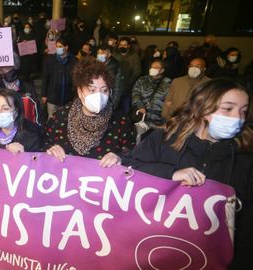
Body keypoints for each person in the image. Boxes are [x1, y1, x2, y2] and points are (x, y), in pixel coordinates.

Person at [101, 79, 253, 269]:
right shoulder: (162, 140)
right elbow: (130, 167)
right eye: (228, 108)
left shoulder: (245, 161)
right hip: (150, 254)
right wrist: (170, 174)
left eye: (243, 111)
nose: (237, 117)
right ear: (203, 107)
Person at [44, 58, 136, 161]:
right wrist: (50, 149)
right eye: (92, 90)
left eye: (104, 90)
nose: (99, 96)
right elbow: (44, 143)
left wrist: (120, 158)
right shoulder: (60, 117)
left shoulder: (121, 122)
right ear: (80, 92)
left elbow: (132, 153)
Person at [0, 53, 41, 126]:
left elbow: (36, 114)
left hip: (24, 131)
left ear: (15, 66)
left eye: (6, 65)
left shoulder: (27, 88)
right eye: (0, 66)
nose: (2, 68)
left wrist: (36, 131)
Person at [0, 88, 43, 153]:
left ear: (16, 112)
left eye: (5, 108)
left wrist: (24, 155)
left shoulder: (31, 137)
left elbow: (35, 160)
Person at [41, 38, 78, 118]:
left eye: (60, 46)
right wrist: (44, 94)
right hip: (53, 98)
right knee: (51, 119)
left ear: (66, 47)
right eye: (57, 46)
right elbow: (45, 77)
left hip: (68, 98)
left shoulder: (74, 61)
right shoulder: (49, 60)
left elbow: (76, 79)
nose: (58, 48)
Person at [132, 58, 172, 127]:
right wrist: (140, 106)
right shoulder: (142, 80)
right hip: (142, 118)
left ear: (162, 70)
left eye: (156, 67)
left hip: (159, 120)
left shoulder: (167, 83)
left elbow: (169, 100)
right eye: (152, 67)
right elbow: (135, 94)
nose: (153, 69)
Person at [113, 36, 142, 114]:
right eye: (121, 44)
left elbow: (137, 71)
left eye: (125, 45)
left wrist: (128, 83)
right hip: (115, 86)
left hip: (128, 87)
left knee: (125, 107)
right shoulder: (114, 54)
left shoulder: (134, 56)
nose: (122, 46)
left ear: (129, 46)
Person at [96, 45, 124, 109]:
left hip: (109, 100)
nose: (100, 55)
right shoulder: (95, 65)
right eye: (98, 53)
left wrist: (113, 104)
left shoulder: (115, 67)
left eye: (103, 53)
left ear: (109, 54)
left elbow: (118, 87)